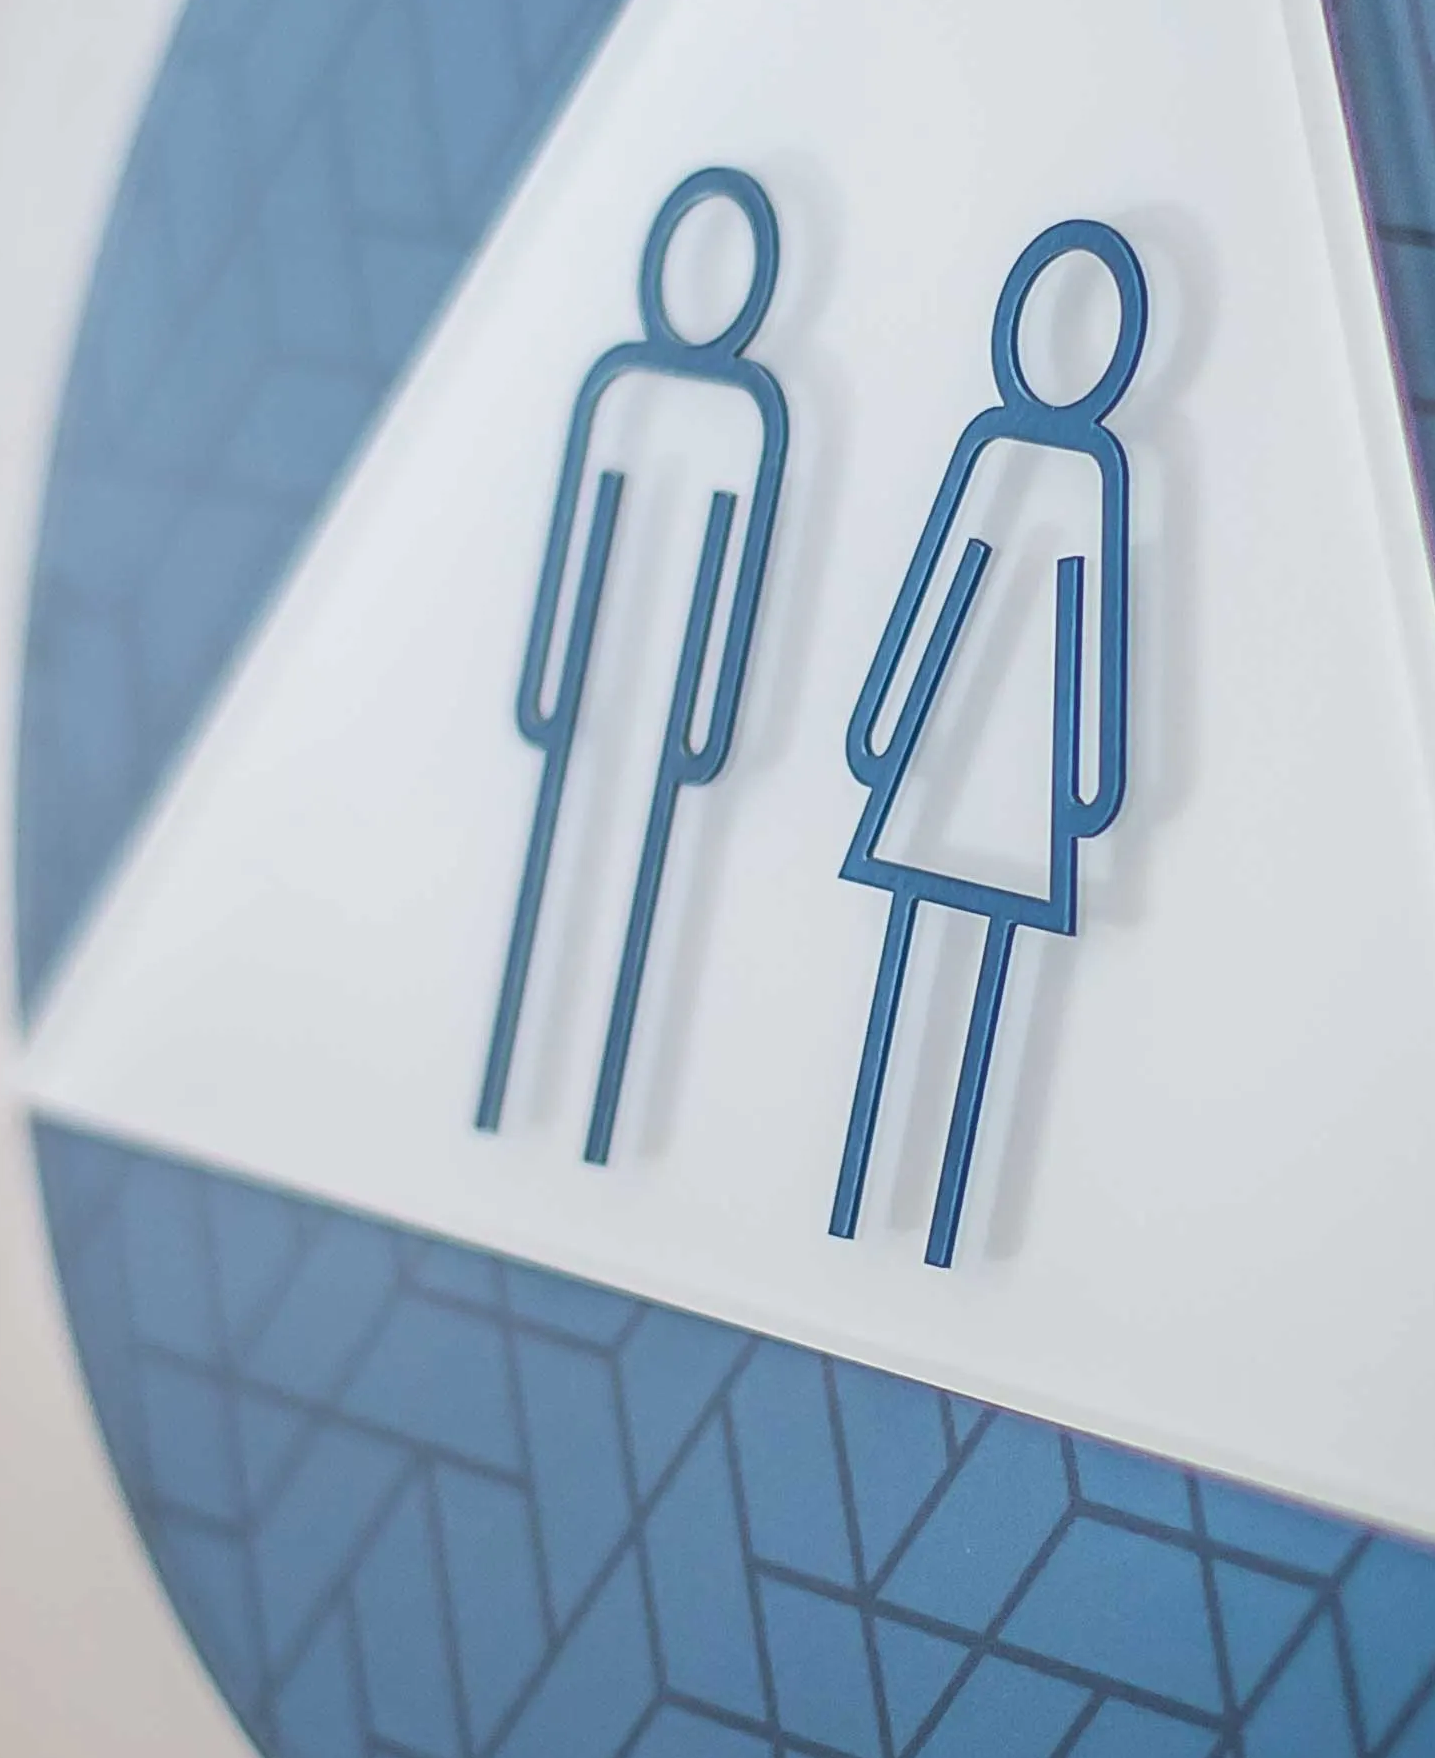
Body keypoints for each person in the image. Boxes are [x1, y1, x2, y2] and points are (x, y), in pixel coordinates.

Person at [828, 218, 1145, 1269]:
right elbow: (934, 582)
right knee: (914, 938)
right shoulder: (995, 450)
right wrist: (881, 733)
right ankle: (868, 1184)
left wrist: (1086, 790)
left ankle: (932, 1214)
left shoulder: (1091, 471)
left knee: (984, 959)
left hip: (1013, 743)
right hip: (956, 733)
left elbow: (1093, 622)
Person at [482, 166, 792, 1161]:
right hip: (598, 679)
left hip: (662, 694)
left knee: (631, 888)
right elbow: (580, 526)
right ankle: (523, 1081)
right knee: (558, 869)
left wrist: (701, 734)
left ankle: (587, 1106)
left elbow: (733, 576)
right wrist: (545, 698)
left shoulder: (742, 412)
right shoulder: (629, 388)